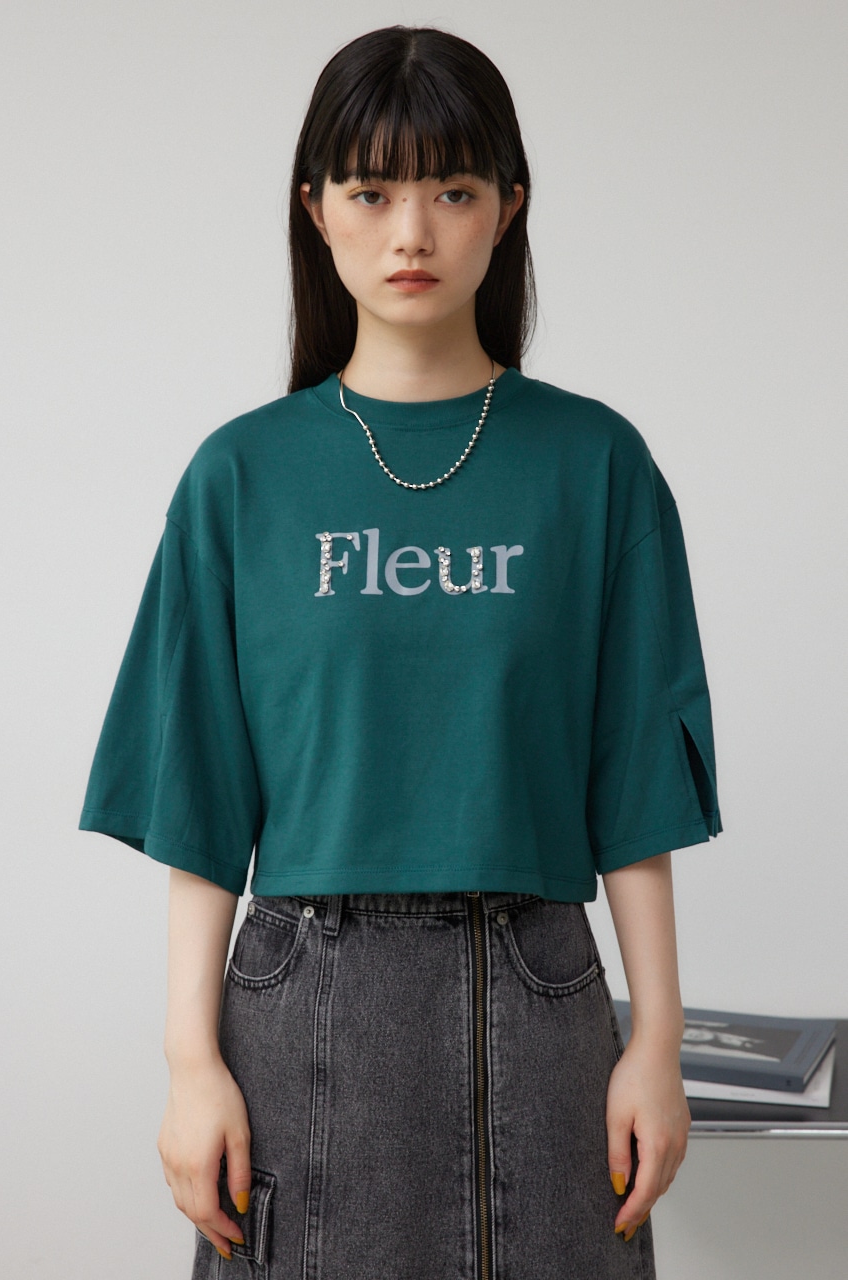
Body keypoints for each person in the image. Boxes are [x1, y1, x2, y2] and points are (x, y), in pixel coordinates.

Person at [78, 24, 722, 1279]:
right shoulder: (241, 475)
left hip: (542, 992)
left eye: (453, 191)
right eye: (372, 193)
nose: (411, 233)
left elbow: (634, 780)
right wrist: (190, 1060)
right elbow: (200, 790)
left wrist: (656, 1042)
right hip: (302, 996)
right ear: (315, 208)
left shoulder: (596, 465)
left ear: (508, 207)